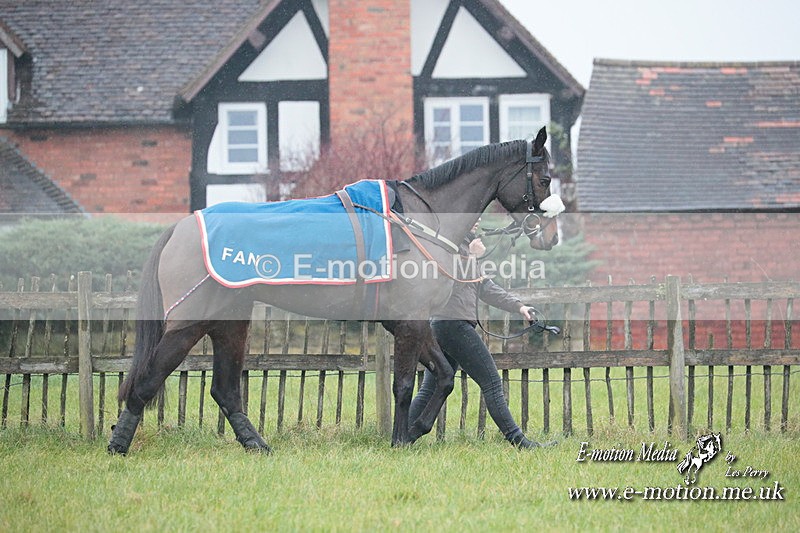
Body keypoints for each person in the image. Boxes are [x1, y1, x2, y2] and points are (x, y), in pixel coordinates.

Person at [408, 221, 549, 449]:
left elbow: (484, 287)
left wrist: (520, 307)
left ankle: (402, 438)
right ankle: (520, 443)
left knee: (430, 388)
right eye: (473, 217)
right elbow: (448, 283)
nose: (478, 221)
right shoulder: (451, 247)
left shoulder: (463, 247)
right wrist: (472, 257)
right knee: (492, 383)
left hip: (444, 325)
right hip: (453, 326)